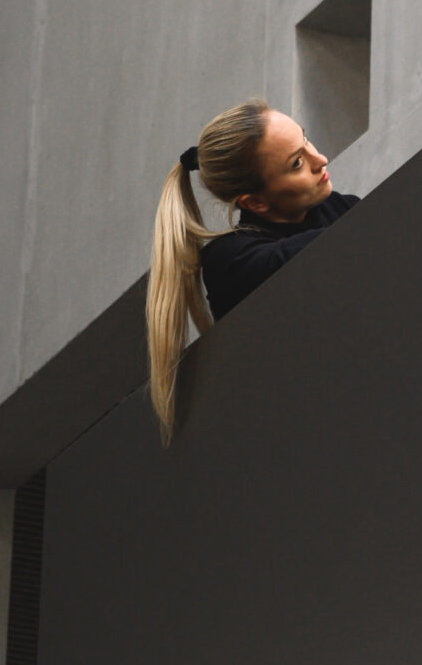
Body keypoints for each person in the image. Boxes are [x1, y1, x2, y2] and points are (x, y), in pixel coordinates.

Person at [146, 96, 358, 438]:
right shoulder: (231, 259)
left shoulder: (338, 209)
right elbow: (308, 258)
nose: (321, 160)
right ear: (255, 202)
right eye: (297, 164)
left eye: (306, 139)